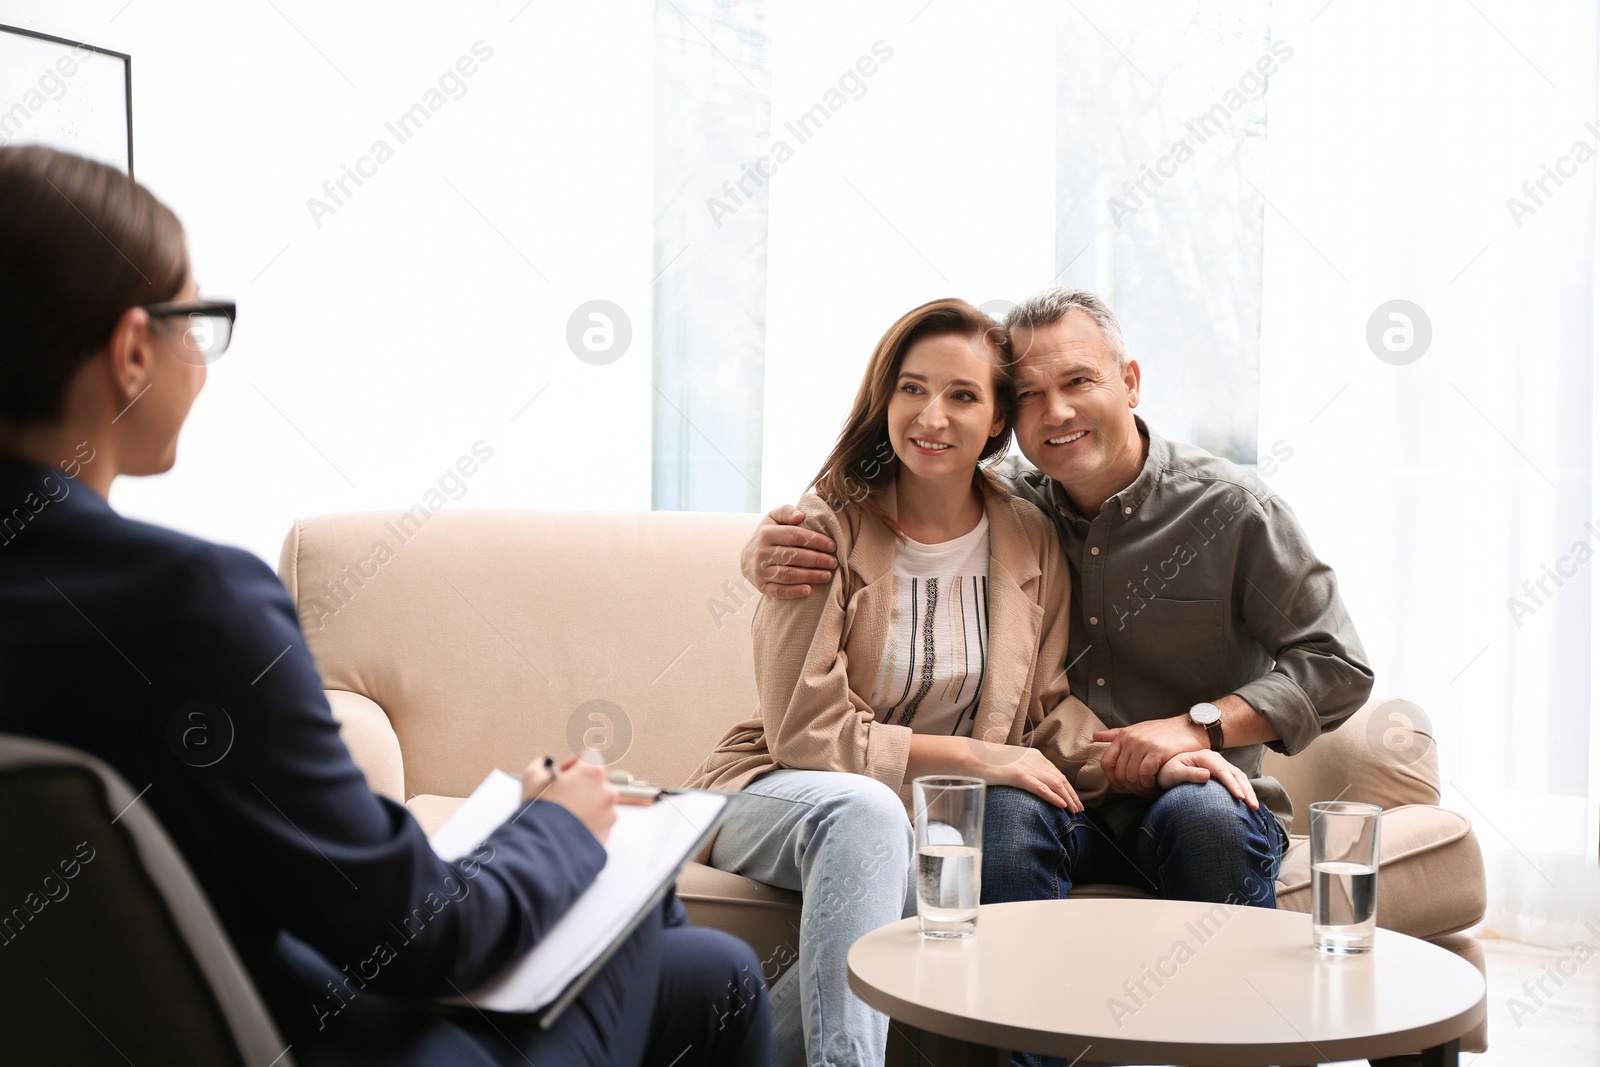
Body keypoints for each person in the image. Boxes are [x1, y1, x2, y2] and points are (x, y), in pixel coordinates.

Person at [0, 145, 769, 1067]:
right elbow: (415, 937)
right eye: (194, 322)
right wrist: (557, 822)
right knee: (694, 944)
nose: (199, 356)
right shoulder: (190, 607)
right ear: (131, 350)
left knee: (705, 966)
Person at [684, 297, 1245, 1067]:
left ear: (996, 422)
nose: (931, 416)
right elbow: (804, 732)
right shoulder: (821, 529)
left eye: (962, 394)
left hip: (932, 826)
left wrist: (1146, 758)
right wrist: (983, 760)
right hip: (784, 791)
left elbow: (1046, 714)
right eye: (911, 388)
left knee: (938, 924)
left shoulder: (1026, 534)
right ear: (884, 399)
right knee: (871, 816)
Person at [742, 287, 1373, 917]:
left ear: (1129, 382)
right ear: (1006, 419)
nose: (1057, 412)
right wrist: (762, 552)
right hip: (1053, 788)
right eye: (1030, 396)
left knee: (1206, 819)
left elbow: (1337, 665)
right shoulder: (1009, 512)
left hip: (1186, 791)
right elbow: (888, 510)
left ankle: (1218, 1014)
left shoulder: (1230, 510)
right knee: (1002, 818)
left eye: (1078, 381)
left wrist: (1197, 727)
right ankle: (1008, 1016)